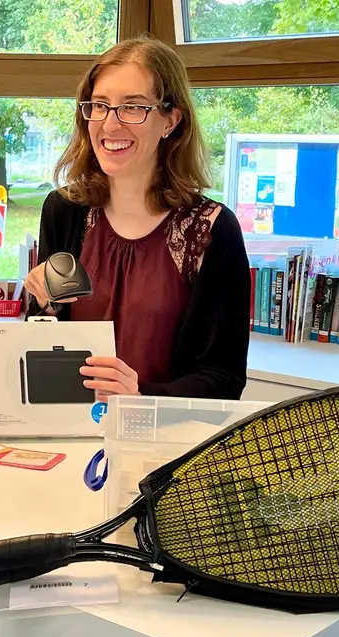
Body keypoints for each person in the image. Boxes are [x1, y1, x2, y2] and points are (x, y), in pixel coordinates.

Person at [23, 37, 251, 400]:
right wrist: (45, 306)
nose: (110, 125)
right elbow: (41, 346)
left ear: (170, 120)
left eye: (133, 107)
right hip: (72, 431)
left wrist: (139, 396)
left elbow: (223, 378)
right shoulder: (63, 210)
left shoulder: (212, 229)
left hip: (166, 441)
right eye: (100, 105)